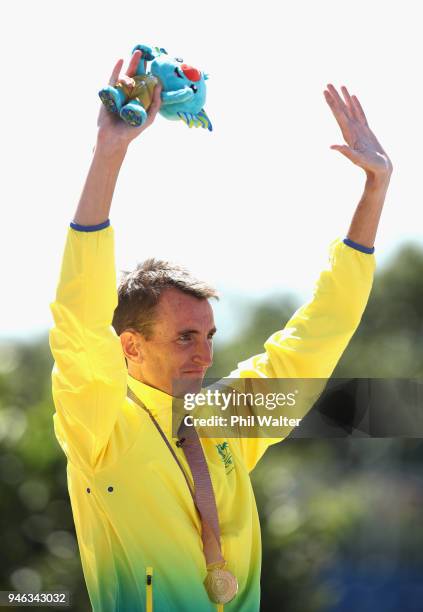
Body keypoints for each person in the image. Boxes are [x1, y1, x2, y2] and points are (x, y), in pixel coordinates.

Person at [49, 49, 393, 612]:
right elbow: (79, 321)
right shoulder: (99, 423)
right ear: (129, 346)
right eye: (185, 337)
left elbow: (319, 332)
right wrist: (108, 152)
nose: (205, 356)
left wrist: (374, 191)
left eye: (208, 337)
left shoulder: (224, 416)